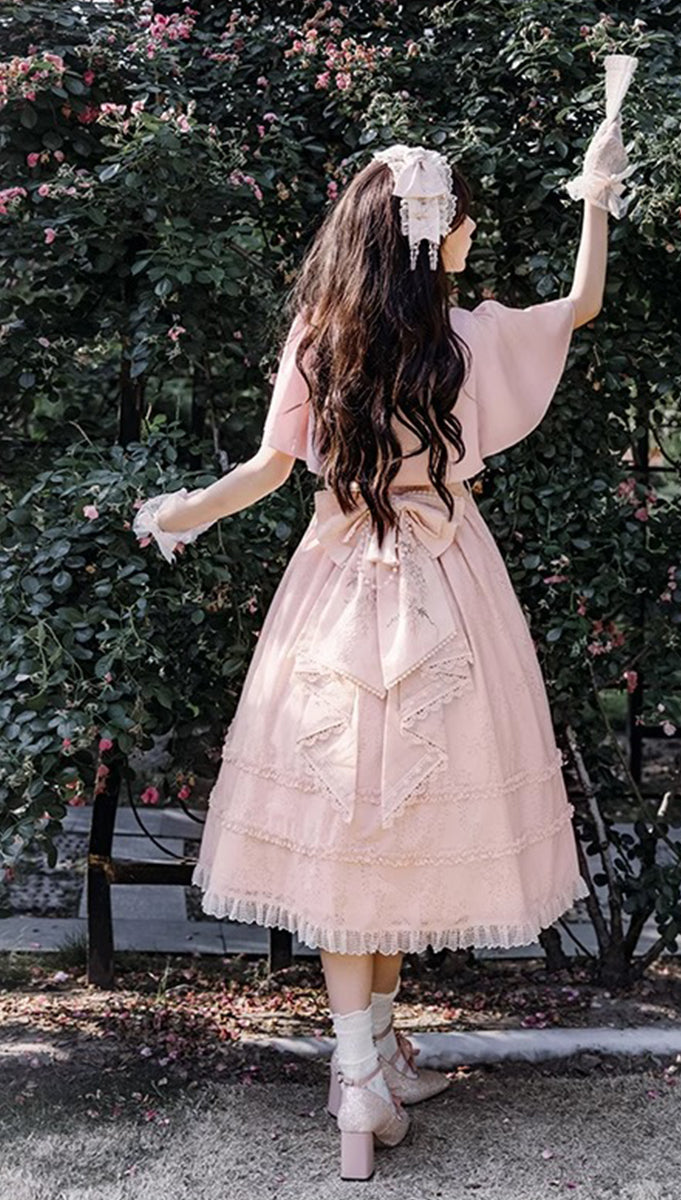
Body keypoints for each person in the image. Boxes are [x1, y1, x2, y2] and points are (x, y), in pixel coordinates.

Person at [133, 54, 638, 1182]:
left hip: (334, 586)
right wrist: (595, 195)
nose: (470, 234)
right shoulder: (465, 338)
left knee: (348, 823)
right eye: (460, 221)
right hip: (450, 588)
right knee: (406, 819)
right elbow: (582, 304)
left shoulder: (323, 338)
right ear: (428, 235)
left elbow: (269, 468)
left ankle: (362, 1069)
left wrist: (177, 516)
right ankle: (369, 1068)